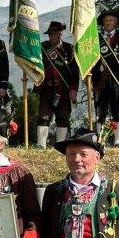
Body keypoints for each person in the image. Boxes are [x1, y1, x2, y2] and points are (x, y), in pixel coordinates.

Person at [92, 10, 119, 147]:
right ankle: (100, 141)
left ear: (116, 22)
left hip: (118, 81)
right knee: (100, 110)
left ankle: (117, 141)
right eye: (106, 20)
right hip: (100, 81)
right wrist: (92, 81)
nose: (108, 22)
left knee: (117, 110)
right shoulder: (96, 39)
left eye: (111, 20)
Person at [37, 20, 79, 149]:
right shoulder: (42, 47)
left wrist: (73, 88)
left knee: (63, 117)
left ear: (61, 33)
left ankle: (60, 146)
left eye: (55, 33)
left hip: (64, 89)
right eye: (50, 33)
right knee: (44, 116)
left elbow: (75, 71)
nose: (52, 35)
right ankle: (41, 145)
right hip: (46, 88)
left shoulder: (69, 48)